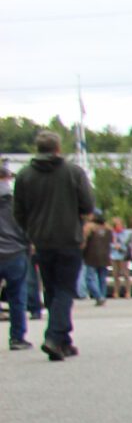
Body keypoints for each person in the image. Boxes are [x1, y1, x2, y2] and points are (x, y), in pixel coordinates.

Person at [14, 130, 95, 360]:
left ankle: (63, 341)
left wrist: (30, 232)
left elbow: (18, 212)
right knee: (65, 290)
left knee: (52, 290)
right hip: (69, 238)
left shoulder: (24, 176)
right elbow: (88, 204)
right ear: (58, 148)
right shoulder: (73, 172)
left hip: (40, 241)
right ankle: (54, 336)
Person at [0, 164, 31, 350]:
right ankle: (17, 337)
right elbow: (26, 226)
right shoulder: (17, 202)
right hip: (15, 252)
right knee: (17, 296)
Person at [80, 210, 112, 306]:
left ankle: (98, 296)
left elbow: (83, 242)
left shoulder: (89, 227)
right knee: (102, 278)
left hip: (91, 255)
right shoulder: (108, 228)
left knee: (89, 278)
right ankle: (102, 295)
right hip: (105, 255)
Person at [109, 218, 132, 298]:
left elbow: (126, 242)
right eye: (116, 225)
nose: (118, 226)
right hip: (114, 255)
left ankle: (128, 292)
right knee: (115, 275)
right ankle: (116, 292)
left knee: (126, 274)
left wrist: (119, 245)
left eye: (119, 224)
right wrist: (114, 245)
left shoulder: (126, 233)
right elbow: (109, 243)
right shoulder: (112, 233)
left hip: (123, 255)